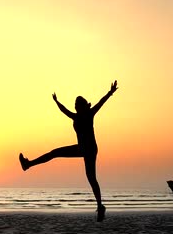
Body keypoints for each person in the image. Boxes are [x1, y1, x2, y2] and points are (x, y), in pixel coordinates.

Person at [19, 80, 118, 222]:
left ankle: (100, 207)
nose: (76, 107)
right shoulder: (75, 116)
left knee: (91, 178)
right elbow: (64, 110)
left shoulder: (90, 113)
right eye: (75, 105)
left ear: (84, 105)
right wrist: (56, 101)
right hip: (81, 148)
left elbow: (102, 102)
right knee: (55, 153)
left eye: (78, 104)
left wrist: (111, 92)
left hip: (89, 149)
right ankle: (28, 164)